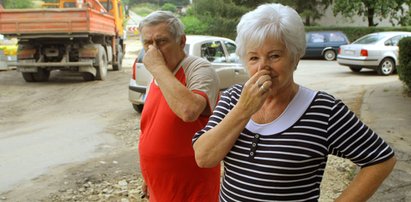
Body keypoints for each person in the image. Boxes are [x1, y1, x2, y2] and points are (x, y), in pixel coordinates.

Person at [192, 3, 396, 201]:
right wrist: (243, 110)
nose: (263, 67)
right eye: (253, 58)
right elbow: (204, 158)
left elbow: (381, 159)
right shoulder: (231, 99)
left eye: (274, 56)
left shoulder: (324, 110)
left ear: (296, 57)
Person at [138, 11, 221, 201]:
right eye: (147, 43)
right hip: (160, 185)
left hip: (192, 187)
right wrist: (147, 174)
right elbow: (146, 127)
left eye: (161, 42)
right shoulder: (158, 75)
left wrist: (158, 68)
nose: (153, 51)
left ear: (182, 41)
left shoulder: (198, 68)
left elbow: (189, 111)